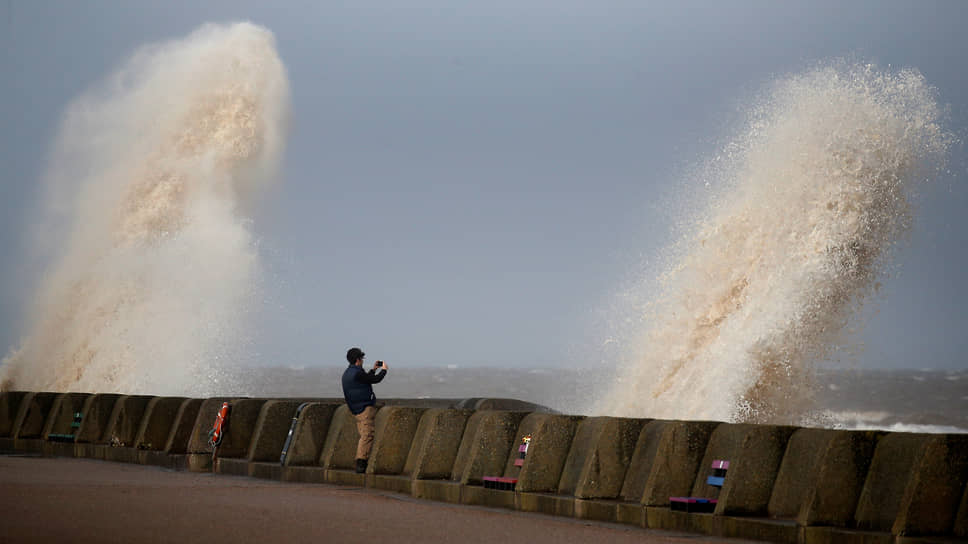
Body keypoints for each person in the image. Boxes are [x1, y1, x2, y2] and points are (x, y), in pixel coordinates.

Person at [341, 347, 388, 473]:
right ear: (358, 360)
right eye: (361, 358)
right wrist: (384, 370)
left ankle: (361, 462)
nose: (362, 361)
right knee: (367, 436)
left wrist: (373, 370)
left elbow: (365, 379)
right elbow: (375, 380)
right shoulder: (357, 373)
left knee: (363, 435)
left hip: (355, 409)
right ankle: (361, 463)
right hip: (364, 408)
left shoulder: (348, 373)